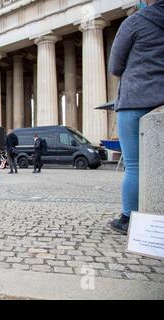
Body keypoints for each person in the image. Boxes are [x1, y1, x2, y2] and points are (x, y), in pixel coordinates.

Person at [108, 0, 164, 235]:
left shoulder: (135, 22)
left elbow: (115, 66)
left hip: (136, 100)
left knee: (134, 165)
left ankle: (128, 218)